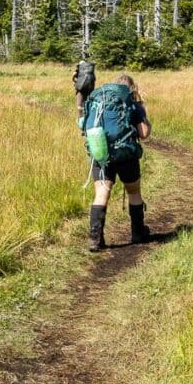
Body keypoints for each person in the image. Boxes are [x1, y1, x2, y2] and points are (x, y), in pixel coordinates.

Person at [76, 72, 151, 252]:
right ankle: (138, 233)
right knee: (133, 191)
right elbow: (144, 133)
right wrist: (143, 108)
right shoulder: (132, 103)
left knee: (102, 193)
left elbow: (82, 125)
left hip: (101, 154)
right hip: (126, 155)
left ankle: (95, 239)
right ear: (131, 88)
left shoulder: (99, 102)